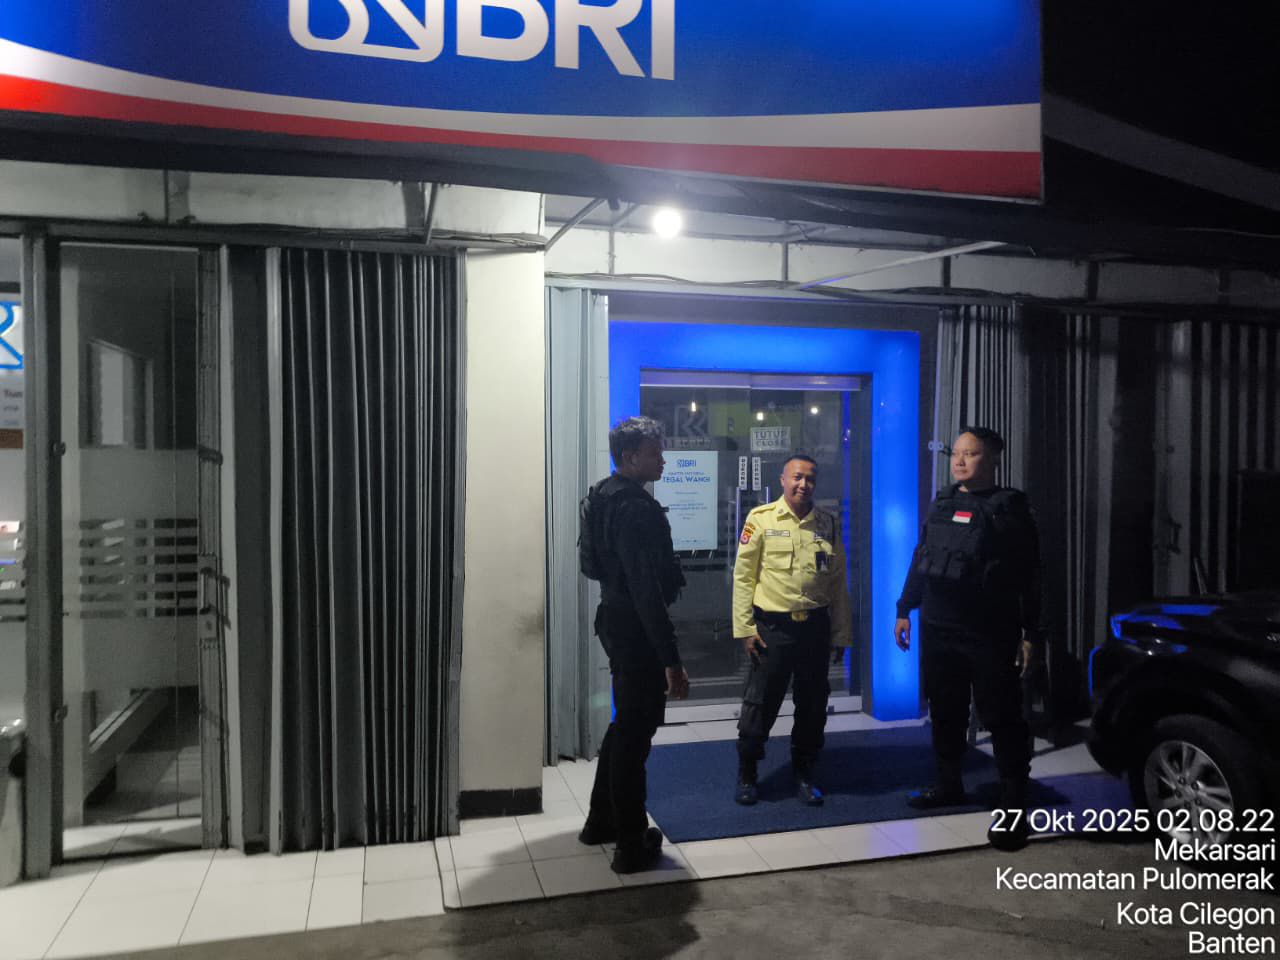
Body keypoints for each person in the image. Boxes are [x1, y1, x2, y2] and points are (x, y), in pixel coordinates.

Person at [894, 426, 1043, 851]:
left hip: (989, 632)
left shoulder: (1010, 509)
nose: (959, 461)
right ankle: (949, 785)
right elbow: (922, 557)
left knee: (1002, 718)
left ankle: (1014, 809)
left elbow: (1031, 576)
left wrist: (1032, 633)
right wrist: (905, 608)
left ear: (992, 459)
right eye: (956, 453)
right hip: (939, 627)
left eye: (970, 454)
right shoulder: (943, 502)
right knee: (945, 711)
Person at [579, 416, 689, 874]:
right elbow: (646, 589)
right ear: (630, 457)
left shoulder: (603, 495)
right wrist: (671, 659)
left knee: (625, 726)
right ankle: (630, 843)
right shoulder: (635, 508)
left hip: (615, 620)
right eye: (654, 452)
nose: (662, 460)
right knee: (635, 737)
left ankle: (600, 822)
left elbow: (596, 568)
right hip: (636, 629)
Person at [732, 454, 852, 807]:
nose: (804, 484)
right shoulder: (761, 519)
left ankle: (804, 771)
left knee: (813, 705)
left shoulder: (828, 524)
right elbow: (743, 578)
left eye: (810, 478)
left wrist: (841, 634)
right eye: (797, 477)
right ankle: (747, 773)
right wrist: (745, 628)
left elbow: (838, 584)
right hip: (773, 629)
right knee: (760, 703)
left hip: (815, 629)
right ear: (783, 479)